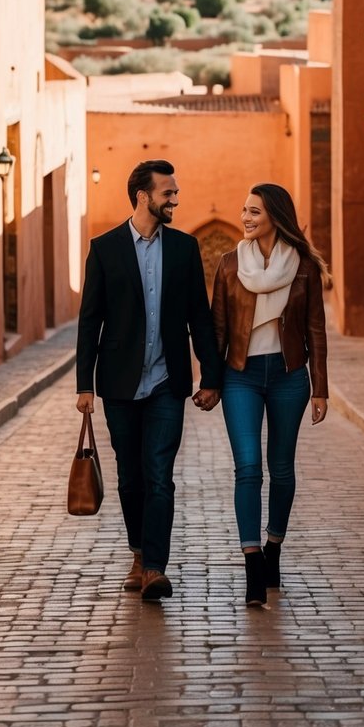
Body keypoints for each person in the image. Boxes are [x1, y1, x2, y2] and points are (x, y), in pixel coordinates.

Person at [76, 159, 223, 601]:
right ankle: (138, 553)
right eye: (168, 193)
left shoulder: (184, 248)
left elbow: (200, 314)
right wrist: (85, 384)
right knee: (129, 477)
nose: (175, 199)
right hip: (119, 383)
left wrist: (211, 375)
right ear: (143, 196)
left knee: (159, 474)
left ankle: (155, 567)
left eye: (175, 192)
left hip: (165, 382)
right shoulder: (104, 249)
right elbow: (90, 320)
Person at [211, 182, 328, 606]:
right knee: (247, 468)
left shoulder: (303, 267)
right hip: (240, 375)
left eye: (255, 212)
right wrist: (210, 381)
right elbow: (218, 330)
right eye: (244, 210)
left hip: (288, 375)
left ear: (275, 217)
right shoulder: (228, 266)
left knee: (281, 469)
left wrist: (321, 389)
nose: (245, 218)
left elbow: (316, 329)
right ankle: (253, 565)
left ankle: (275, 546)